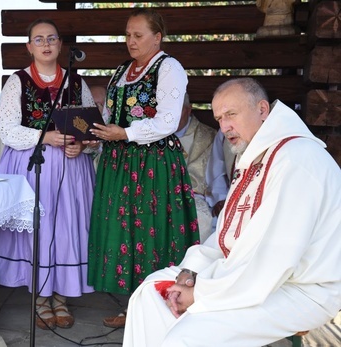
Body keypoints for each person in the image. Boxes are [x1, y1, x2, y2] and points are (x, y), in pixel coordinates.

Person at [122, 77, 341, 346]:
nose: (224, 126)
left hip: (301, 290)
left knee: (187, 336)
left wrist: (200, 293)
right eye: (219, 118)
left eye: (231, 114)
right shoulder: (253, 155)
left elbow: (272, 259)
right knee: (150, 295)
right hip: (250, 276)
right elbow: (229, 231)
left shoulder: (296, 160)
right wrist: (192, 270)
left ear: (262, 109)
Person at [87, 8, 200, 329]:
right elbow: (112, 116)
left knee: (151, 231)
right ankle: (134, 307)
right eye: (127, 35)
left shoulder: (169, 68)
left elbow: (167, 120)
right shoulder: (123, 69)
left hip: (152, 163)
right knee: (126, 230)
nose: (130, 41)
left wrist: (125, 134)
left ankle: (162, 306)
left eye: (138, 35)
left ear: (157, 37)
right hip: (119, 163)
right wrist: (96, 137)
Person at [0, 18, 99, 330]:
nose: (46, 44)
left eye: (51, 38)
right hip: (32, 166)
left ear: (61, 45)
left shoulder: (77, 83)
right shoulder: (18, 82)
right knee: (39, 230)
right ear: (29, 46)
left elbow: (89, 127)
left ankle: (62, 297)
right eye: (39, 39)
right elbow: (8, 130)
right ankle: (39, 297)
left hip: (71, 170)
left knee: (66, 229)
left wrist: (84, 146)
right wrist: (45, 137)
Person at [174, 93, 220, 243]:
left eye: (177, 110)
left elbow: (217, 174)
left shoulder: (209, 136)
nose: (172, 116)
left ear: (189, 109)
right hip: (158, 194)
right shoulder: (153, 136)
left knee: (198, 217)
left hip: (194, 196)